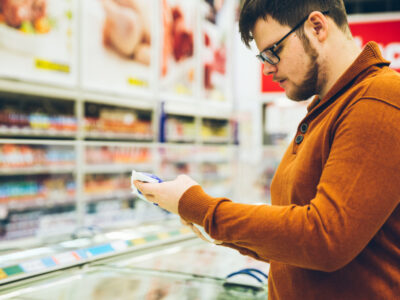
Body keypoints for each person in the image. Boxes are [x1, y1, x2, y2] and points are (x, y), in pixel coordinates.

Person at [134, 0, 400, 298]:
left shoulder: (379, 96)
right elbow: (293, 243)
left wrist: (202, 208)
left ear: (317, 27)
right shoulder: (325, 109)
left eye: (274, 51)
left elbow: (325, 239)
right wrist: (201, 216)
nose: (268, 69)